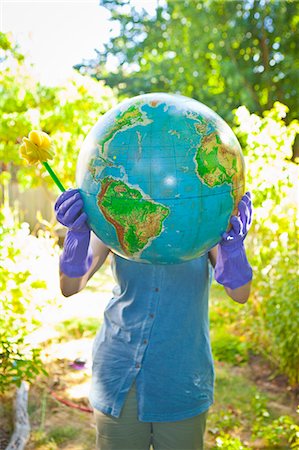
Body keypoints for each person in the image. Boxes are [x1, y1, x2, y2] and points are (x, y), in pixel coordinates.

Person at [54, 189, 253, 450]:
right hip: (118, 370)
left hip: (181, 377)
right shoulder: (120, 205)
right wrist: (76, 240)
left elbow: (239, 294)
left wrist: (234, 250)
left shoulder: (205, 214)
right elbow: (70, 286)